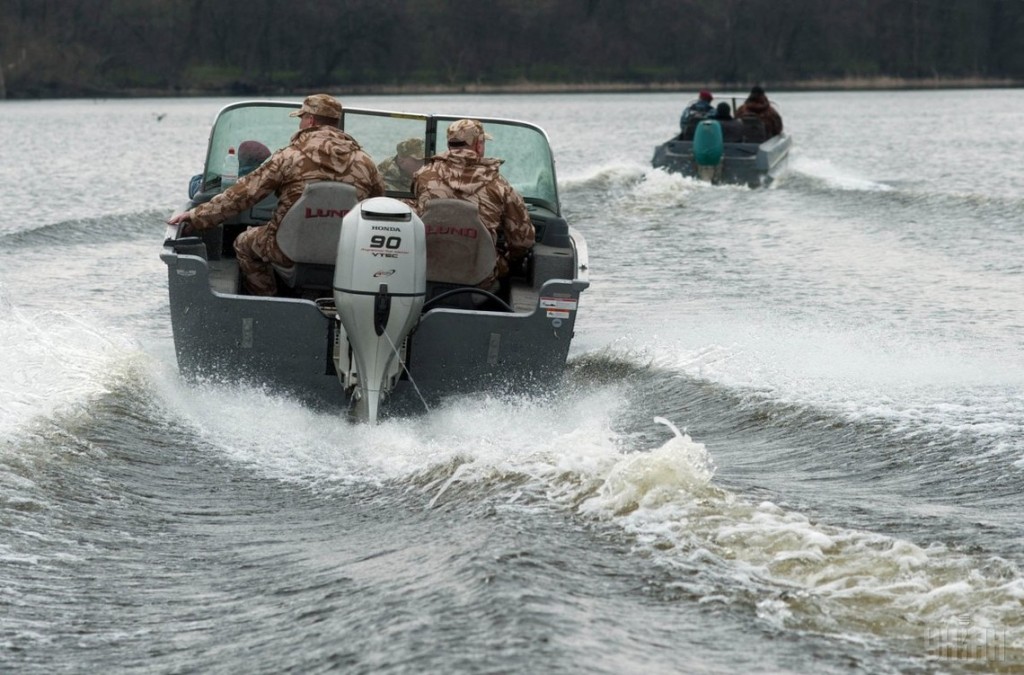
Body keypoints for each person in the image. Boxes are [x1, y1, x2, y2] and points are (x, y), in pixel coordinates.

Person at [168, 93, 385, 296]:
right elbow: (380, 207)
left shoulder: (288, 157)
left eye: (301, 118)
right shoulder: (365, 162)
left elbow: (241, 196)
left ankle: (269, 304)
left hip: (286, 250)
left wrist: (196, 217)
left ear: (310, 121)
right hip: (346, 254)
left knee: (243, 244)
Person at [412, 119, 535, 287]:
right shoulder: (499, 185)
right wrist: (509, 258)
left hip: (424, 274)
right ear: (478, 145)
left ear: (450, 145)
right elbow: (523, 241)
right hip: (479, 280)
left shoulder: (423, 176)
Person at [187, 140, 271, 199]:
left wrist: (208, 174)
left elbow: (195, 191)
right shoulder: (270, 181)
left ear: (239, 160)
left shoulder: (230, 181)